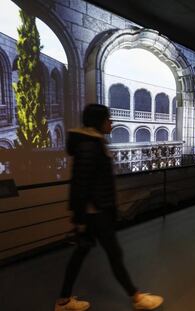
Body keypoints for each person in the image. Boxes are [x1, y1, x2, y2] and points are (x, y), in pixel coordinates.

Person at [55, 104, 163, 311]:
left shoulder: (92, 143)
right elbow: (81, 184)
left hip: (94, 212)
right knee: (114, 254)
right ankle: (137, 298)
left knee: (82, 255)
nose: (111, 123)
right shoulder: (90, 146)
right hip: (95, 213)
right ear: (99, 122)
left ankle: (64, 301)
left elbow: (87, 182)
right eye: (108, 119)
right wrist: (80, 219)